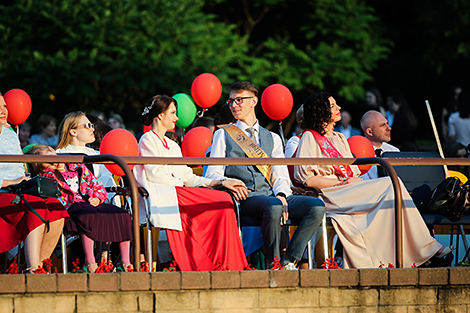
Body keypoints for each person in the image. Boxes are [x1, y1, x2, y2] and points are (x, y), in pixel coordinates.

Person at [293, 91, 453, 268]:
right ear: (321, 111)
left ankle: (408, 255)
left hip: (350, 190)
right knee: (391, 185)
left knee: (393, 196)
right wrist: (339, 183)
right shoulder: (309, 137)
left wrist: (351, 181)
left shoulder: (339, 138)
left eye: (337, 104)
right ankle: (426, 249)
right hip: (331, 195)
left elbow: (352, 172)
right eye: (332, 106)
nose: (339, 108)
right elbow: (307, 178)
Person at [205, 81, 325, 270]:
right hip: (247, 197)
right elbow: (213, 173)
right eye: (231, 102)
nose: (234, 105)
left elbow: (280, 177)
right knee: (274, 206)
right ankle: (273, 262)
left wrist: (282, 195)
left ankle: (289, 259)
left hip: (272, 196)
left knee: (316, 207)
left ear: (254, 101)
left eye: (239, 100)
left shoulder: (273, 138)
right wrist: (227, 181)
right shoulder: (223, 134)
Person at [133, 94, 248, 271]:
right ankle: (210, 262)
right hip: (165, 194)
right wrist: (181, 184)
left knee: (224, 201)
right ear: (160, 116)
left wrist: (219, 182)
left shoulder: (172, 145)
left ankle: (226, 263)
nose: (177, 118)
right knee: (221, 202)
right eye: (172, 113)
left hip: (179, 191)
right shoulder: (147, 139)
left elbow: (188, 175)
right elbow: (155, 174)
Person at [28, 145, 133, 273]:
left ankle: (125, 262)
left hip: (91, 203)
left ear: (53, 150)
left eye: (51, 158)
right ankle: (90, 262)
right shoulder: (48, 177)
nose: (53, 163)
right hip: (72, 207)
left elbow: (97, 185)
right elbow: (55, 198)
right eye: (47, 164)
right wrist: (52, 171)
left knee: (122, 214)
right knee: (87, 215)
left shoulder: (78, 167)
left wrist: (97, 198)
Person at [0, 92, 68, 273]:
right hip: (4, 191)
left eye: (5, 106)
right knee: (36, 205)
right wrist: (12, 182)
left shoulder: (10, 135)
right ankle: (33, 268)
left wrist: (25, 178)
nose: (3, 111)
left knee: (56, 208)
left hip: (19, 188)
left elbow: (18, 168)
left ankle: (35, 263)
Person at [56, 112, 116, 192]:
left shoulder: (98, 155)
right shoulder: (57, 155)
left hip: (97, 201)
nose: (93, 129)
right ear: (73, 132)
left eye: (92, 125)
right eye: (88, 126)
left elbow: (107, 184)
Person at [360, 110, 400, 180]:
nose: (389, 128)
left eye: (387, 123)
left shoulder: (394, 151)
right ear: (369, 132)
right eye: (382, 125)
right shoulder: (357, 153)